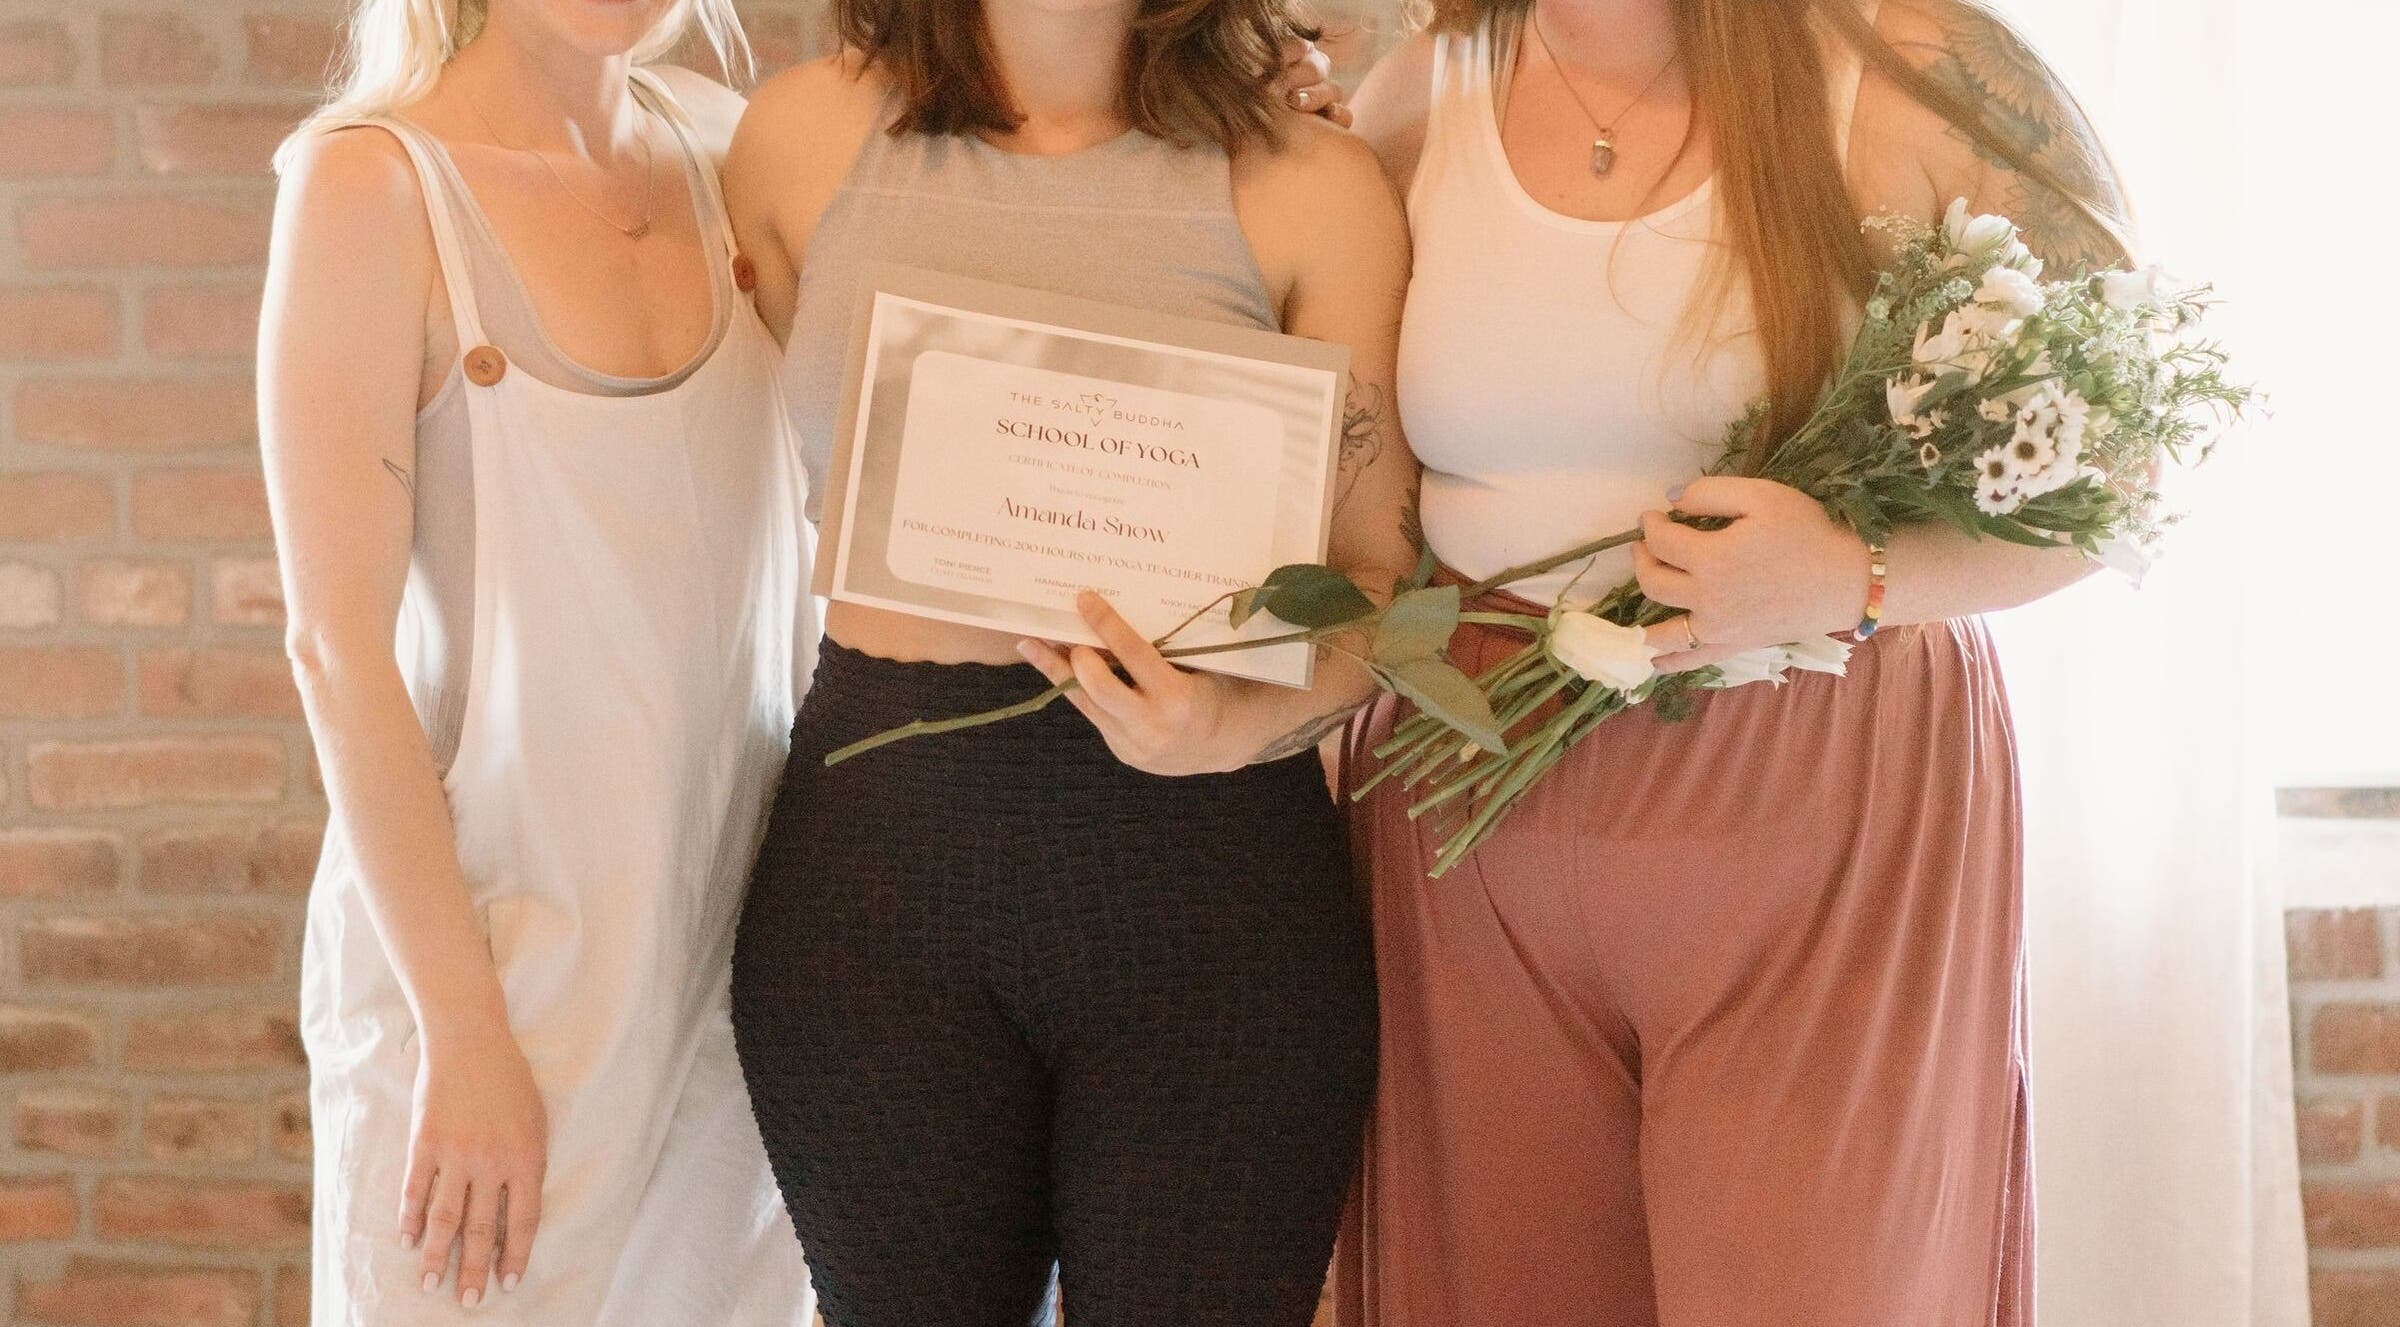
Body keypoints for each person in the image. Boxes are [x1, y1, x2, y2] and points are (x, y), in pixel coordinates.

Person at [1336, 1, 2132, 1323]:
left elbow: (2121, 468)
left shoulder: (1912, 67)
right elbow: (1355, 499)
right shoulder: (1418, 91)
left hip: (1824, 808)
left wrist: (1858, 577)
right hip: (1473, 819)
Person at [718, 0, 1418, 1320]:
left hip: (1215, 898)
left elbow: (1381, 587)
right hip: (877, 888)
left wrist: (1226, 727)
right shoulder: (797, 138)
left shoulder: (1314, 184)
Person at [260, 0, 819, 1319]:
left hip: (740, 957)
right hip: (495, 968)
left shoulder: (732, 153)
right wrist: (462, 1033)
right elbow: (334, 651)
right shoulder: (372, 184)